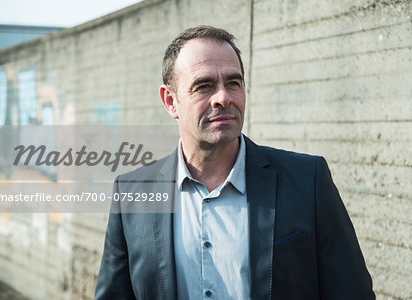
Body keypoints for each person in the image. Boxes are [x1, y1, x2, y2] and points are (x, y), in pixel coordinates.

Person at [95, 25, 375, 300]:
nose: (224, 98)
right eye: (204, 86)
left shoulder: (307, 180)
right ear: (170, 101)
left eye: (233, 82)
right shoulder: (132, 193)